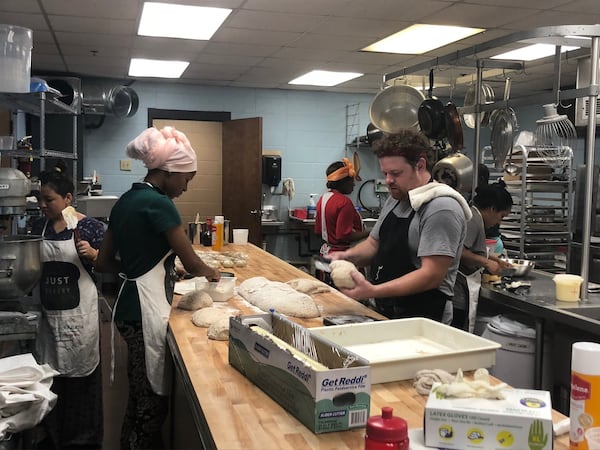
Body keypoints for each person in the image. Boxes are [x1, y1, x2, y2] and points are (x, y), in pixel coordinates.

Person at [95, 126, 220, 450]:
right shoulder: (160, 204)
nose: (185, 186)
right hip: (144, 314)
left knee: (139, 397)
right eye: (186, 178)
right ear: (169, 171)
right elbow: (194, 264)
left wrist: (147, 270)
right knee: (150, 404)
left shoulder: (125, 201)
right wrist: (214, 274)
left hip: (126, 309)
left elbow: (104, 262)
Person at [328, 128, 472, 321]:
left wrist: (373, 290)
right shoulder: (397, 198)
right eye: (385, 173)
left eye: (395, 173)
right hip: (386, 308)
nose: (388, 181)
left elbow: (432, 275)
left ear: (420, 165)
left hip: (422, 317)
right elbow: (373, 244)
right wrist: (347, 256)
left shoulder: (440, 207)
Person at [31, 160, 105, 449]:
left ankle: (83, 441)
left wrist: (95, 254)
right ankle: (53, 437)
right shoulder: (39, 226)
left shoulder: (89, 228)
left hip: (79, 319)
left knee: (81, 383)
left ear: (68, 199)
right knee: (52, 378)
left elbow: (111, 266)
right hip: (49, 317)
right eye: (40, 199)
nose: (42, 205)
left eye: (48, 199)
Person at [452, 182, 514, 332]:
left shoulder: (474, 215)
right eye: (501, 216)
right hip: (458, 289)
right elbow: (459, 252)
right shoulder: (473, 219)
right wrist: (487, 263)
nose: (499, 222)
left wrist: (496, 259)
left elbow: (472, 249)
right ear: (492, 209)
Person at [314, 158, 370, 284]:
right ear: (343, 182)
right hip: (342, 258)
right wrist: (370, 232)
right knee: (347, 296)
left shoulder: (323, 198)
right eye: (351, 181)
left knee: (328, 291)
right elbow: (344, 235)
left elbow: (318, 231)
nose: (354, 185)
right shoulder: (344, 203)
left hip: (325, 254)